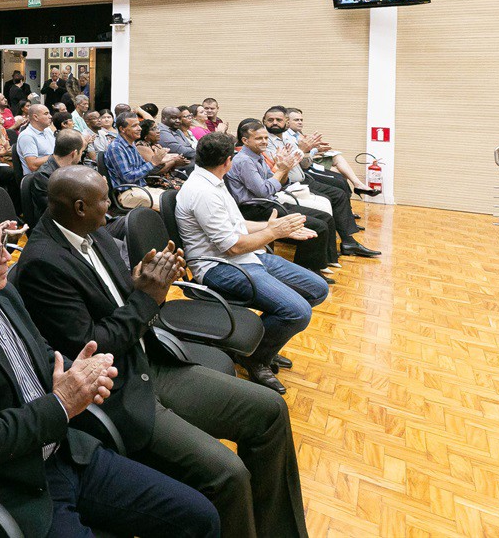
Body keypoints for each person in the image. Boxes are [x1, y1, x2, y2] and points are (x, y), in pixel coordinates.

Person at [15, 165, 308, 538]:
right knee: (228, 473)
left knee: (270, 411)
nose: (111, 205)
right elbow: (93, 347)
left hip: (151, 362)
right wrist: (149, 295)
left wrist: (144, 279)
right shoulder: (43, 263)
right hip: (120, 391)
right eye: (104, 199)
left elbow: (119, 299)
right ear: (79, 207)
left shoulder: (93, 231)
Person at [0, 198, 219, 538]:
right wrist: (61, 403)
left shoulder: (4, 293)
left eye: (5, 244)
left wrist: (79, 372)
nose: (7, 257)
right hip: (15, 485)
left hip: (68, 451)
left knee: (201, 517)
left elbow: (42, 355)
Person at [178, 133, 331, 393]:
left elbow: (238, 226)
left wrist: (271, 226)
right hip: (219, 267)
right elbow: (233, 245)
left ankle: (261, 342)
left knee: (317, 289)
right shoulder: (203, 192)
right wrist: (275, 233)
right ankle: (255, 357)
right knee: (297, 312)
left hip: (247, 257)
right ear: (228, 161)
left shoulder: (214, 180)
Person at [262, 107, 378, 259]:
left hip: (302, 178)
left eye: (279, 120)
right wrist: (302, 150)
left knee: (340, 192)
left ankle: (348, 241)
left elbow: (304, 165)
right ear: (264, 121)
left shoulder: (289, 138)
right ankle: (335, 249)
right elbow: (281, 167)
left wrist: (307, 151)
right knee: (332, 196)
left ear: (286, 122)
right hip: (287, 185)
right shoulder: (265, 140)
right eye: (270, 120)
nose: (275, 123)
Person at [226, 120, 336, 277]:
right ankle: (307, 273)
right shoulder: (244, 160)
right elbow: (264, 191)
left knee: (325, 218)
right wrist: (281, 170)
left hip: (270, 203)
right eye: (259, 138)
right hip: (254, 210)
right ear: (245, 140)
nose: (264, 141)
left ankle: (321, 263)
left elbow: (280, 183)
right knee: (318, 226)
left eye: (265, 138)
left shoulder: (258, 156)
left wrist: (284, 169)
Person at [106, 112, 185, 210]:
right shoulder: (116, 148)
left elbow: (147, 170)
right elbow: (128, 177)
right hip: (127, 193)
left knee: (177, 199)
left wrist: (161, 161)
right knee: (169, 207)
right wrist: (153, 162)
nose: (140, 128)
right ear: (122, 129)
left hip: (141, 188)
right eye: (134, 126)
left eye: (139, 125)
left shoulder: (131, 145)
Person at [24, 129, 85, 229]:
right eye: (81, 151)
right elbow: (56, 211)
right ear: (74, 154)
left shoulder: (72, 169)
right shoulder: (43, 176)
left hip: (75, 222)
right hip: (57, 229)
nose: (81, 155)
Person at [16, 103, 57, 175]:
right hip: (37, 178)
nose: (50, 116)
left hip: (52, 172)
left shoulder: (48, 131)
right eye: (46, 114)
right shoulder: (27, 136)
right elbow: (32, 165)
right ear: (35, 117)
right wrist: (56, 156)